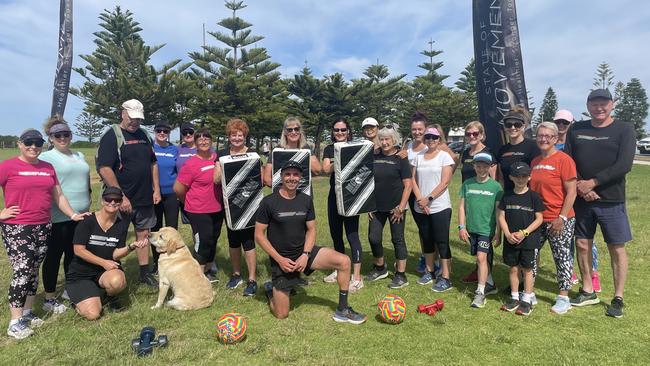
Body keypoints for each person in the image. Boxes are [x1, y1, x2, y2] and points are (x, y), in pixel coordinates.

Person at [0, 129, 88, 339]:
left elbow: (59, 196)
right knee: (22, 271)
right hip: (18, 226)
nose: (33, 146)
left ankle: (28, 313)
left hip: (43, 225)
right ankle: (14, 322)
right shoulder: (9, 166)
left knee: (33, 270)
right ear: (20, 144)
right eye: (28, 142)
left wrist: (73, 215)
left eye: (37, 143)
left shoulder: (47, 167)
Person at [256, 161, 367, 324]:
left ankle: (343, 309)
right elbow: (259, 235)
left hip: (303, 252)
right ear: (281, 177)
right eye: (288, 174)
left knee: (344, 261)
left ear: (300, 177)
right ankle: (271, 292)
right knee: (281, 314)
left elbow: (312, 229)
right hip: (282, 260)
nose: (291, 178)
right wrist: (279, 259)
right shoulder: (269, 202)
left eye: (295, 174)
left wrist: (306, 255)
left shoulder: (305, 200)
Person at [564, 88, 636, 318]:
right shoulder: (577, 129)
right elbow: (568, 161)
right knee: (583, 244)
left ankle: (618, 297)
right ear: (588, 106)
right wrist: (582, 187)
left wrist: (593, 183)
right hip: (582, 199)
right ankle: (587, 289)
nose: (599, 108)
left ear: (612, 104)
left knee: (616, 247)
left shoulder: (624, 129)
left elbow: (623, 164)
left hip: (611, 199)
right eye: (595, 104)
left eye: (604, 103)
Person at [96, 99, 160, 288]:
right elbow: (104, 168)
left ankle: (144, 272)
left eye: (138, 119)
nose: (135, 122)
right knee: (116, 237)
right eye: (132, 118)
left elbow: (153, 163)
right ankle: (113, 272)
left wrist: (156, 189)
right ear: (123, 113)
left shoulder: (145, 135)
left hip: (144, 197)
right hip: (120, 200)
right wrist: (121, 196)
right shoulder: (111, 135)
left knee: (143, 234)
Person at [65, 187, 146, 320]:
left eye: (117, 200)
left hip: (105, 272)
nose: (112, 202)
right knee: (93, 314)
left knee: (118, 282)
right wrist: (103, 262)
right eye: (109, 199)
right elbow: (78, 250)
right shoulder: (88, 220)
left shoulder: (121, 224)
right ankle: (78, 298)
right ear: (102, 201)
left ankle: (109, 297)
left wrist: (131, 246)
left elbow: (115, 254)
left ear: (121, 203)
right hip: (81, 274)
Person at [38, 118, 91, 314]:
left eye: (65, 134)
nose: (62, 138)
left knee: (74, 254)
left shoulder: (79, 154)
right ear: (50, 138)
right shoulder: (46, 157)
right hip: (58, 216)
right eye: (57, 135)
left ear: (71, 136)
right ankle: (49, 298)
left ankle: (71, 289)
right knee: (54, 256)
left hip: (81, 215)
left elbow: (84, 180)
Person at [529, 122, 577, 314]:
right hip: (539, 218)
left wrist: (562, 218)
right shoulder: (534, 162)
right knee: (530, 254)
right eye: (540, 135)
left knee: (562, 257)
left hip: (559, 218)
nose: (544, 139)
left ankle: (564, 297)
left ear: (556, 139)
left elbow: (571, 192)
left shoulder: (564, 160)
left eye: (549, 136)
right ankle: (529, 292)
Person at [554, 109, 601, 292]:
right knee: (566, 239)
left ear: (571, 124)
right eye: (558, 122)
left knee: (585, 238)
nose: (561, 126)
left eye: (565, 123)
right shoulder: (549, 143)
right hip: (560, 198)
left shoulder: (578, 143)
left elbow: (582, 169)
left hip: (578, 195)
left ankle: (593, 274)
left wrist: (584, 189)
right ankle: (572, 271)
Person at [213, 118, 258, 296]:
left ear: (244, 136)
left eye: (240, 135)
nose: (237, 138)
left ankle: (252, 279)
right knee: (233, 240)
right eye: (233, 135)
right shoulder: (222, 154)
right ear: (229, 136)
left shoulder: (253, 153)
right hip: (230, 205)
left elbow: (258, 178)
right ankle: (236, 274)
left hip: (249, 204)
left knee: (248, 241)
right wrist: (221, 168)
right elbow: (216, 179)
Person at [364, 126, 412, 289]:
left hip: (396, 208)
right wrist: (369, 204)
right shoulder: (374, 156)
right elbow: (369, 181)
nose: (384, 143)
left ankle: (400, 275)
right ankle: (380, 268)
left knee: (397, 239)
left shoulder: (401, 158)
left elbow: (408, 185)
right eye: (382, 139)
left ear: (394, 141)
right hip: (376, 207)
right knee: (373, 237)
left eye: (388, 139)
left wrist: (401, 207)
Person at [173, 128, 223, 282]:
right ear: (195, 143)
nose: (203, 140)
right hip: (198, 209)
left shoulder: (218, 158)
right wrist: (186, 201)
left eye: (206, 137)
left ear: (211, 141)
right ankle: (198, 277)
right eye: (199, 138)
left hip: (218, 208)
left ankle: (208, 270)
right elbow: (178, 188)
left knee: (213, 238)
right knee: (204, 241)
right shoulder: (191, 163)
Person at [320, 118, 364, 291]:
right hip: (334, 196)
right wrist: (340, 157)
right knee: (336, 235)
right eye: (336, 130)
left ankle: (357, 277)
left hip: (351, 196)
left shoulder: (354, 147)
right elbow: (325, 168)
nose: (340, 133)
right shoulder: (329, 149)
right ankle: (339, 269)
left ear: (348, 131)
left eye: (343, 130)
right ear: (333, 132)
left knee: (352, 235)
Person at [411, 127, 455, 292]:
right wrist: (420, 200)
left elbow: (444, 182)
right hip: (421, 206)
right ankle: (429, 271)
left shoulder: (444, 157)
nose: (430, 140)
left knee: (442, 241)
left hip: (439, 206)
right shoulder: (418, 156)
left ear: (439, 139)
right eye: (428, 137)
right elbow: (413, 180)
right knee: (427, 239)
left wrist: (428, 198)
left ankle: (445, 277)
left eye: (434, 137)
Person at [497, 162, 544, 316]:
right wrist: (507, 233)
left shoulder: (534, 197)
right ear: (511, 177)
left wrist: (524, 233)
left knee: (528, 270)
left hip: (528, 240)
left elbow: (539, 219)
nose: (520, 179)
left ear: (529, 177)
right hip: (511, 239)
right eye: (517, 176)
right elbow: (501, 216)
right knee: (513, 268)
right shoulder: (507, 196)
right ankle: (515, 297)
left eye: (524, 176)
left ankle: (526, 299)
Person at [458, 153, 503, 308]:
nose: (482, 169)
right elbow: (462, 207)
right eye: (478, 166)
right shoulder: (467, 184)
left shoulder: (496, 187)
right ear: (474, 166)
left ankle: (480, 292)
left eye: (485, 166)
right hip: (471, 230)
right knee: (480, 258)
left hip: (486, 230)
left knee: (481, 258)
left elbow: (498, 212)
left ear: (490, 167)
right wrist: (462, 226)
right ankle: (490, 283)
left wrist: (498, 232)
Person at [459, 121, 496, 284]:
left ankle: (488, 279)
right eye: (469, 134)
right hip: (469, 196)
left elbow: (494, 181)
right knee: (474, 237)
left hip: (485, 200)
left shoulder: (488, 153)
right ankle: (478, 271)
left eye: (475, 134)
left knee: (485, 238)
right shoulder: (466, 153)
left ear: (482, 135)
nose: (472, 136)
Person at [151, 121, 179, 275]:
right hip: (154, 194)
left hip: (171, 194)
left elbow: (179, 170)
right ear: (155, 132)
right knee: (155, 229)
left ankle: (172, 259)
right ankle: (157, 262)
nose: (162, 133)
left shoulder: (173, 149)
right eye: (159, 130)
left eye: (165, 131)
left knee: (171, 229)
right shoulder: (150, 148)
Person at [263, 117, 321, 187]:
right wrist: (280, 189)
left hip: (303, 193)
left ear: (300, 131)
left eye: (296, 129)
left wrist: (305, 152)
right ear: (285, 132)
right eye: (290, 130)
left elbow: (317, 170)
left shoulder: (305, 148)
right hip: (282, 195)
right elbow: (267, 178)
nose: (293, 132)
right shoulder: (277, 150)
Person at [497, 107, 540, 193]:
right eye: (508, 125)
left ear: (523, 126)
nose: (513, 128)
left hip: (528, 198)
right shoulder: (502, 150)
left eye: (517, 124)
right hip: (508, 198)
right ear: (505, 127)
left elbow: (538, 176)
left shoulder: (533, 146)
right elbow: (501, 178)